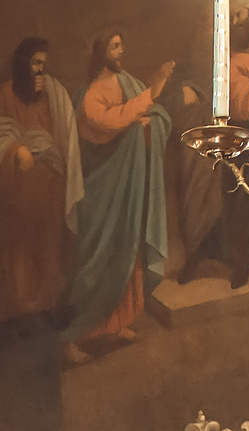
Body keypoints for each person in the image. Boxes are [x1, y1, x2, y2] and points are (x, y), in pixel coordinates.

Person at [61, 31, 176, 366]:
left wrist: (148, 114)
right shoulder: (90, 94)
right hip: (101, 191)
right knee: (97, 259)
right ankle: (71, 335)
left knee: (129, 250)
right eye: (114, 46)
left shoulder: (127, 82)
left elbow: (157, 116)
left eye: (121, 44)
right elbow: (107, 123)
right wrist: (150, 96)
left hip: (128, 185)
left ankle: (117, 322)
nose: (121, 49)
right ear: (101, 52)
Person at [0, 36, 80, 326]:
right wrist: (15, 148)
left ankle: (46, 310)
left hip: (50, 192)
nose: (40, 71)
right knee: (21, 252)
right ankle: (22, 314)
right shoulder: (4, 94)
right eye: (36, 63)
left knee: (48, 251)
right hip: (19, 193)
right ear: (23, 64)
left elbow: (63, 136)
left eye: (43, 65)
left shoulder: (51, 95)